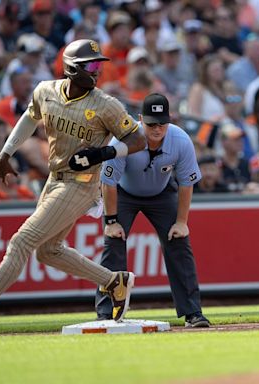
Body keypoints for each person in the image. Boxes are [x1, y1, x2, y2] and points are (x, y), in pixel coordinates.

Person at [0, 38, 146, 330]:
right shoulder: (45, 90)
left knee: (21, 241)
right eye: (90, 65)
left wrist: (103, 153)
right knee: (47, 251)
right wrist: (6, 151)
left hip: (82, 182)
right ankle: (114, 281)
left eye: (99, 64)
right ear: (70, 69)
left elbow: (137, 140)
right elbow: (29, 117)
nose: (97, 70)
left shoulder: (106, 105)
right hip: (55, 177)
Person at [95, 93, 210, 328]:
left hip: (162, 192)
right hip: (123, 194)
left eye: (162, 123)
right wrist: (111, 221)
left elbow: (187, 183)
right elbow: (108, 183)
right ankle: (106, 314)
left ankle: (193, 313)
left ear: (170, 120)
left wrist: (181, 221)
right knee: (114, 242)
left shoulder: (180, 140)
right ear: (140, 119)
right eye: (151, 123)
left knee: (179, 242)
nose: (157, 129)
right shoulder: (122, 141)